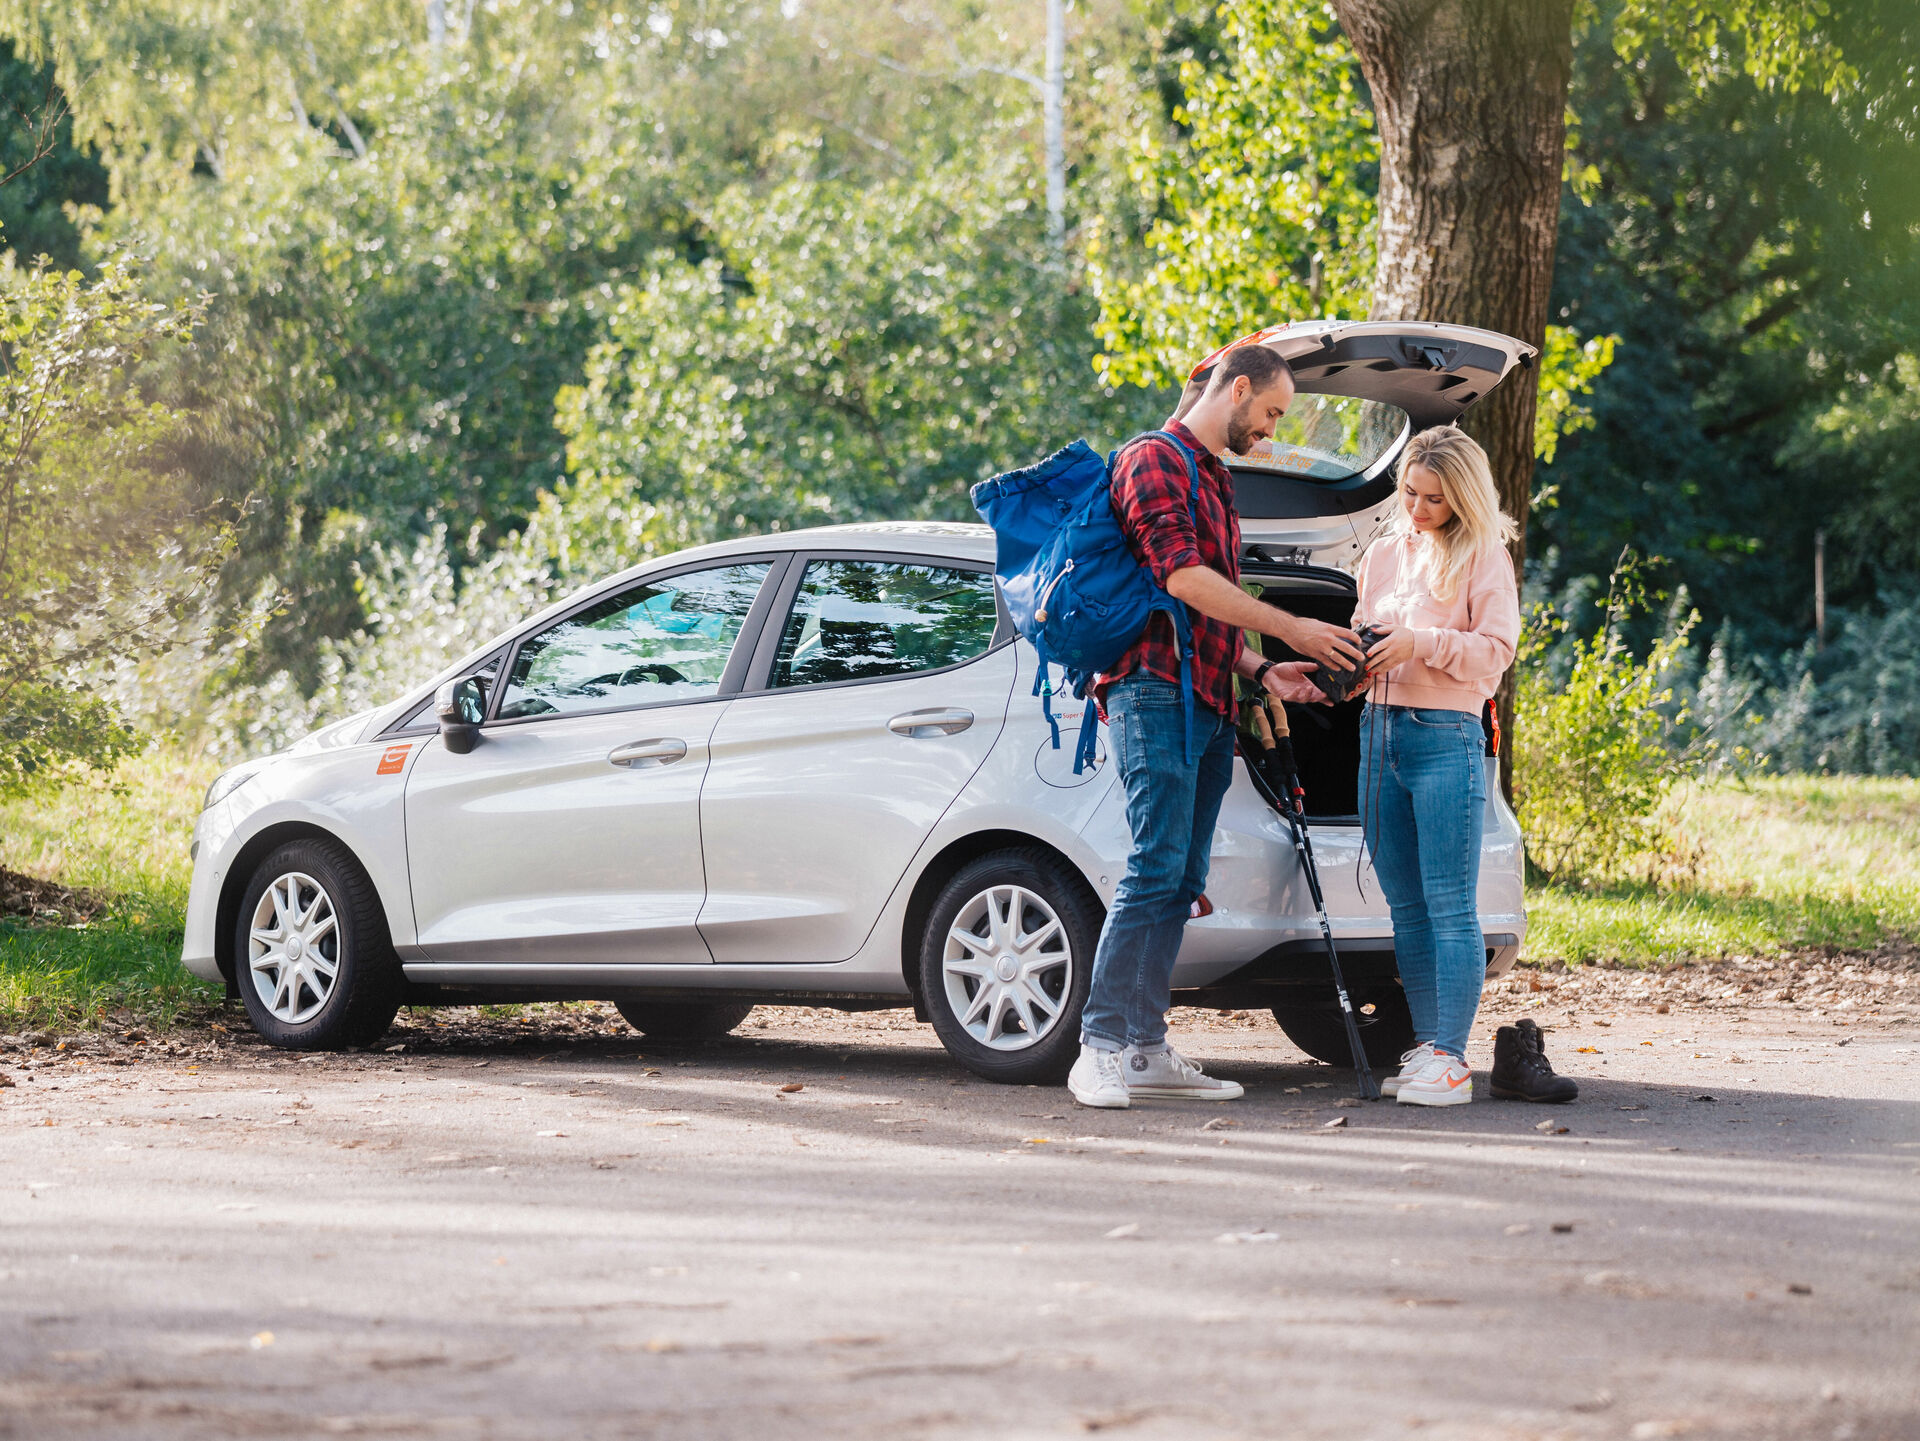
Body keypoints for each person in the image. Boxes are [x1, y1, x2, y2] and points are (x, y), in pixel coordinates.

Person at [1067, 344, 1366, 1110]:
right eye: (1269, 414)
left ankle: (1143, 1046)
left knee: (1181, 879)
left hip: (1206, 696)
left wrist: (1264, 672)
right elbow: (1181, 578)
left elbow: (1210, 612)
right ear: (1236, 388)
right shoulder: (1153, 459)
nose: (1269, 432)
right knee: (1154, 865)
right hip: (1152, 691)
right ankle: (1099, 1045)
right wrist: (1292, 629)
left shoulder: (1215, 478)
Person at [1354, 425, 1522, 1106]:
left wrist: (1420, 642)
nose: (1417, 508)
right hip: (1376, 731)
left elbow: (1496, 651)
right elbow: (1368, 633)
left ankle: (1450, 1058)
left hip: (1445, 733)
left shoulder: (1485, 554)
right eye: (1410, 493)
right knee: (1407, 909)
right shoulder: (1384, 554)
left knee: (1451, 904)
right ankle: (1426, 1046)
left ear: (1463, 498)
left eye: (1433, 499)